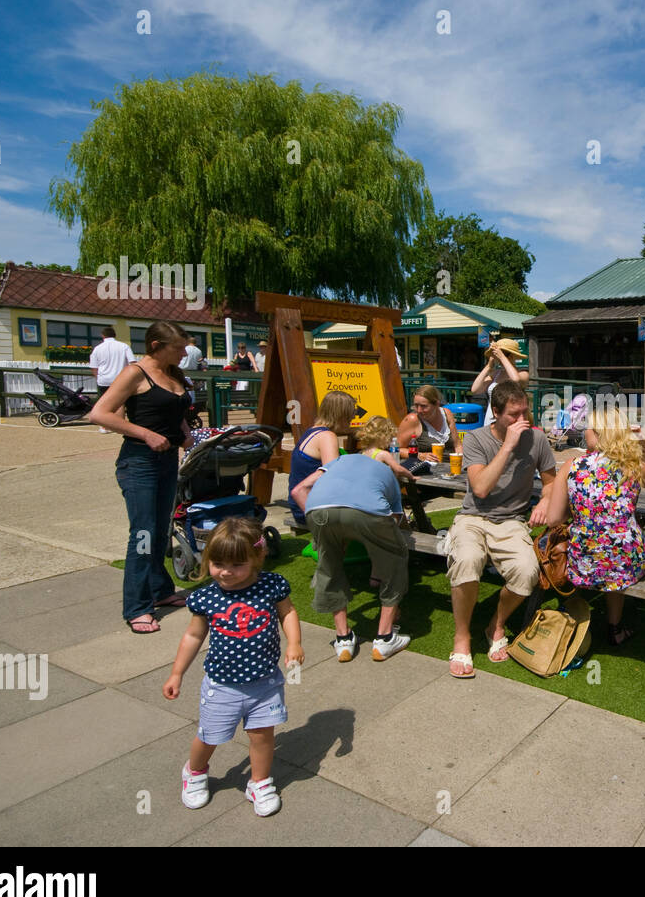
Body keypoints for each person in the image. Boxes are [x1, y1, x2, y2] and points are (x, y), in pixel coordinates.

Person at [163, 518, 303, 816]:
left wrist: (294, 643)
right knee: (210, 735)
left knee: (262, 734)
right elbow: (193, 635)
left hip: (265, 683)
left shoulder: (271, 586)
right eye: (217, 563)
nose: (225, 572)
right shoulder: (207, 597)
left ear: (257, 558)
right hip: (222, 685)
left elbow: (288, 612)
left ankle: (260, 781)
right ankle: (195, 772)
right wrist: (177, 673)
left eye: (236, 565)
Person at [445, 380, 556, 678]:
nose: (523, 421)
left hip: (511, 521)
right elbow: (480, 488)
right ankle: (462, 636)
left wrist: (545, 501)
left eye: (525, 413)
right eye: (514, 415)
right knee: (467, 561)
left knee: (527, 570)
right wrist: (507, 446)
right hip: (473, 517)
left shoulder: (537, 440)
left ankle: (496, 622)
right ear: (496, 413)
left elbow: (550, 482)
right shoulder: (476, 439)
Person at [88, 321, 194, 634]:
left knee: (160, 530)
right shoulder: (135, 373)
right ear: (156, 346)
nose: (184, 352)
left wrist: (187, 436)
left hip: (166, 462)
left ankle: (161, 591)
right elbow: (99, 413)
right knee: (144, 535)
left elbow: (176, 412)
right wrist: (145, 434)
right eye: (178, 347)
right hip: (139, 463)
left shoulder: (172, 373)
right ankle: (137, 607)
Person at [291, 418, 413, 662]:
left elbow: (298, 490)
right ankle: (385, 637)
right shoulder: (384, 468)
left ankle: (343, 639)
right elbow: (395, 517)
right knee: (396, 559)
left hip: (319, 510)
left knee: (330, 567)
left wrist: (319, 525)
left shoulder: (338, 461)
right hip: (367, 512)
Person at [545, 406, 645, 646]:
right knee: (614, 557)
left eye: (588, 427)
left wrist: (580, 509)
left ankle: (573, 619)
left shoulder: (572, 466)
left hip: (584, 560)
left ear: (599, 433)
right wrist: (642, 442)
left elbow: (553, 520)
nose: (584, 432)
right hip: (627, 558)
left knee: (591, 546)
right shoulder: (631, 465)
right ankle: (615, 628)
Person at [287, 390, 357, 526]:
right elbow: (333, 476)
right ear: (341, 415)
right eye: (350, 415)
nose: (353, 418)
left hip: (299, 503)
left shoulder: (312, 431)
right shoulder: (327, 436)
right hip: (311, 507)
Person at [471, 338, 529, 425]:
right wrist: (488, 366)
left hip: (511, 421)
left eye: (504, 353)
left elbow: (515, 380)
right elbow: (475, 389)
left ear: (512, 356)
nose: (498, 357)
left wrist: (502, 357)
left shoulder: (523, 374)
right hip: (491, 420)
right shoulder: (495, 374)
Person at [88, 326, 136, 433]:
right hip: (120, 378)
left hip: (104, 379)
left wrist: (98, 378)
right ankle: (119, 427)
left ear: (103, 336)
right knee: (120, 403)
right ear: (115, 335)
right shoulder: (124, 346)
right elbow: (132, 362)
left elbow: (94, 367)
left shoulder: (97, 348)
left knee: (105, 403)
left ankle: (105, 426)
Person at [397, 384, 461, 459]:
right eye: (416, 405)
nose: (419, 410)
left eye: (424, 406)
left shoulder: (447, 414)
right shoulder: (412, 420)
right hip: (426, 467)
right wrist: (420, 455)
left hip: (451, 466)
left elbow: (457, 445)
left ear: (437, 404)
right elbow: (397, 450)